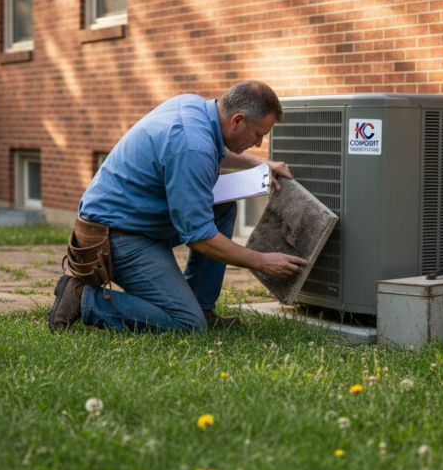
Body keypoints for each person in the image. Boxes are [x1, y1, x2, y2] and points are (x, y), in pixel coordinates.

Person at [49, 80, 307, 333]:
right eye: (258, 134)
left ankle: (201, 306)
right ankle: (83, 298)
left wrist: (259, 163)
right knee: (188, 323)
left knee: (222, 208)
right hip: (113, 239)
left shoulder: (194, 107)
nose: (259, 143)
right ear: (237, 120)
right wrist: (261, 261)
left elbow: (210, 148)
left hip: (130, 221)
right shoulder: (192, 146)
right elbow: (200, 237)